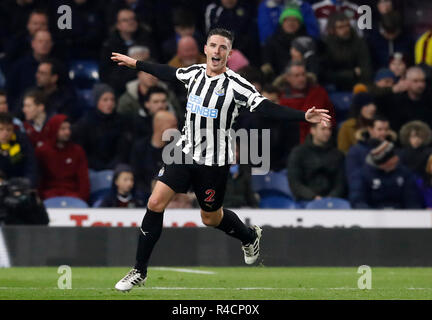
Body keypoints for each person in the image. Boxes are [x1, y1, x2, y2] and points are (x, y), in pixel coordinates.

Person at [111, 28, 331, 291]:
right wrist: (135, 63)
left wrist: (302, 116)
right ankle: (139, 270)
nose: (217, 51)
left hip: (214, 162)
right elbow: (168, 72)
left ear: (228, 53)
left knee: (210, 218)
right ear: (205, 49)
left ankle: (249, 236)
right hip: (184, 151)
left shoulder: (237, 85)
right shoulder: (193, 73)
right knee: (155, 202)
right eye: (213, 45)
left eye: (223, 47)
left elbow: (264, 107)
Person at [72, 83, 132, 171]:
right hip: (91, 168)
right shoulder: (86, 122)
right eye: (105, 100)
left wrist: (112, 166)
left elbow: (123, 150)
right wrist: (98, 166)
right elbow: (83, 150)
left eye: (112, 100)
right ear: (97, 101)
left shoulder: (121, 121)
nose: (110, 103)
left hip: (115, 168)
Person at [349, 140, 424, 209]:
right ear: (382, 163)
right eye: (392, 158)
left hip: (401, 215)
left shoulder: (404, 173)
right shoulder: (361, 175)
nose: (396, 159)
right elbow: (358, 201)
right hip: (373, 216)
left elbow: (412, 199)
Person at [275, 61, 336, 144]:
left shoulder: (319, 93)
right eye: (297, 75)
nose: (301, 78)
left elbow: (330, 116)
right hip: (289, 142)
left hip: (319, 141)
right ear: (287, 78)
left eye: (303, 74)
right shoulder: (279, 97)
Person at [35, 114, 90, 202]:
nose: (67, 132)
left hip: (73, 195)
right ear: (54, 130)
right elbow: (39, 179)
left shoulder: (77, 151)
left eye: (68, 128)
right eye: (63, 129)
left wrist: (81, 199)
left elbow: (83, 180)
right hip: (49, 195)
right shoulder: (42, 151)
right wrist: (41, 197)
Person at [288, 122, 345, 202]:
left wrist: (330, 198)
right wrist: (313, 197)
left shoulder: (337, 155)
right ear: (313, 130)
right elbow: (295, 183)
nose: (327, 132)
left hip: (332, 201)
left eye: (329, 129)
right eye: (323, 129)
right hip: (305, 201)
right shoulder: (298, 153)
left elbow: (340, 183)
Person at [322, 12, 372, 91]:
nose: (345, 29)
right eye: (340, 27)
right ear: (332, 30)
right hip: (335, 86)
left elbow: (366, 69)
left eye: (347, 25)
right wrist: (352, 73)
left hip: (357, 84)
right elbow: (327, 74)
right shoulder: (326, 44)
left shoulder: (358, 42)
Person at [345, 115, 397, 181]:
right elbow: (353, 177)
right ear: (370, 130)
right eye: (379, 129)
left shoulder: (394, 149)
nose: (384, 133)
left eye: (386, 129)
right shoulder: (355, 151)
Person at [0, 112, 37, 187]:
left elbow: (31, 166)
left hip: (19, 183)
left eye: (8, 130)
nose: (5, 133)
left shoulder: (22, 142)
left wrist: (28, 183)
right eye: (1, 129)